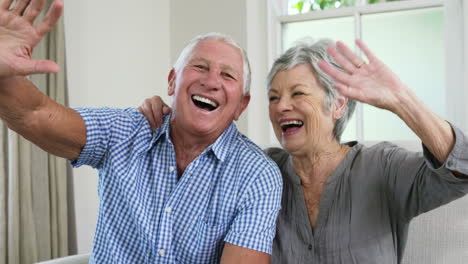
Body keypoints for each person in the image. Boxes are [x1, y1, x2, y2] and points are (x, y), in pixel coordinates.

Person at [0, 0, 282, 263]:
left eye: (228, 75)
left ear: (241, 106)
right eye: (199, 66)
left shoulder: (257, 176)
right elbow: (33, 114)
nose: (211, 81)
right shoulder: (125, 131)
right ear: (172, 81)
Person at [139, 38, 468, 263]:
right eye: (273, 97)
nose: (282, 106)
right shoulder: (259, 171)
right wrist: (171, 117)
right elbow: (190, 173)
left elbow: (461, 170)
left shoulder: (382, 166)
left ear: (337, 104)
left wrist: (401, 101)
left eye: (298, 94)